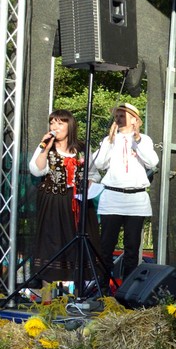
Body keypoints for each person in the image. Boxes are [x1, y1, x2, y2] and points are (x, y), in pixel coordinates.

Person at [28, 109, 98, 286]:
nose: (55, 127)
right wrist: (44, 148)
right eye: (52, 123)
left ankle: (79, 294)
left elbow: (93, 173)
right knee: (51, 244)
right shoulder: (46, 146)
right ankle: (47, 295)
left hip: (77, 201)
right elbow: (36, 170)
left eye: (60, 123)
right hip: (53, 201)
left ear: (70, 125)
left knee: (80, 242)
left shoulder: (82, 148)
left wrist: (88, 183)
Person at [93, 102, 159, 288]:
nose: (118, 118)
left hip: (136, 199)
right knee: (106, 246)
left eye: (122, 115)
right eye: (117, 115)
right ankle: (103, 289)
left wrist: (137, 139)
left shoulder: (144, 139)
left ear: (134, 119)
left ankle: (128, 291)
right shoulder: (108, 140)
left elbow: (152, 162)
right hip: (112, 197)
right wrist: (109, 141)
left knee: (132, 249)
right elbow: (99, 164)